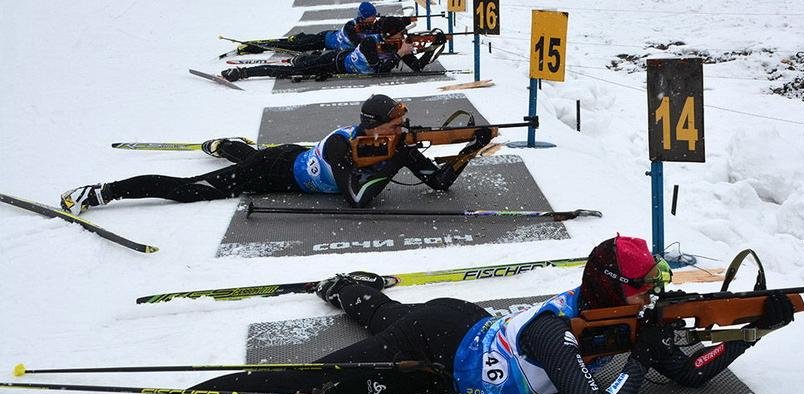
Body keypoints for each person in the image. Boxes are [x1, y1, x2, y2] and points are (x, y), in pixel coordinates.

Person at [97, 235, 796, 394]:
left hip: (457, 345)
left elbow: (691, 376)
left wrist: (747, 334)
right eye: (646, 287)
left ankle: (344, 286)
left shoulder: (611, 318)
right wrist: (642, 356)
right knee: (303, 386)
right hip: (438, 341)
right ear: (616, 286)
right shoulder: (558, 334)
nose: (654, 296)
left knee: (380, 312)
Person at [60, 95, 492, 213]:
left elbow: (437, 182)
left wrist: (471, 148)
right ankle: (104, 192)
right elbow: (357, 198)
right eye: (395, 126)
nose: (402, 131)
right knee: (193, 191)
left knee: (243, 154)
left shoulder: (393, 142)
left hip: (295, 153)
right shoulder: (346, 145)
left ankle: (224, 145)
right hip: (275, 171)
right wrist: (397, 157)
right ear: (373, 126)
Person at [221, 17, 442, 81]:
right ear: (387, 34)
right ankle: (244, 72)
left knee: (299, 64)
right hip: (334, 60)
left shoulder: (396, 44)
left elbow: (419, 67)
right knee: (290, 70)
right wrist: (399, 53)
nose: (402, 37)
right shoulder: (368, 42)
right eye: (399, 34)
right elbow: (378, 70)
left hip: (339, 61)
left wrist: (431, 46)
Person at [235, 2, 382, 55]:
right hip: (323, 41)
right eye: (370, 19)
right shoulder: (352, 26)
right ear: (362, 17)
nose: (373, 21)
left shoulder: (371, 25)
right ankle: (253, 46)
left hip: (328, 38)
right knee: (293, 47)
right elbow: (360, 44)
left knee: (299, 42)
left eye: (374, 18)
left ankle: (300, 37)